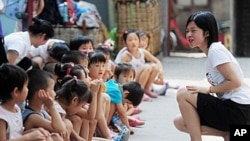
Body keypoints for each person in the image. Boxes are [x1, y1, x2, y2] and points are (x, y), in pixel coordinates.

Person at [173, 11, 250, 141]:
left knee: (183, 93)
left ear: (207, 33)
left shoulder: (215, 50)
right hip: (231, 108)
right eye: (187, 31)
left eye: (193, 30)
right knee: (180, 121)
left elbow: (236, 82)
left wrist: (209, 90)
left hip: (239, 109)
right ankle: (226, 134)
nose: (189, 35)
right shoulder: (212, 53)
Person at [0, 64, 53, 140]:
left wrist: (31, 131)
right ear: (16, 91)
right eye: (26, 86)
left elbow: (16, 134)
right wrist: (28, 137)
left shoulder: (16, 108)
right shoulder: (2, 117)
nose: (28, 90)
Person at [23, 69, 70, 141]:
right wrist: (51, 106)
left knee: (65, 126)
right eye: (52, 89)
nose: (55, 93)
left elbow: (62, 126)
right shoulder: (33, 117)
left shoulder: (41, 110)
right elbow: (60, 129)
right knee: (56, 137)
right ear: (41, 93)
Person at [114, 29, 164, 98]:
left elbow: (156, 61)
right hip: (131, 79)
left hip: (141, 78)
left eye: (135, 39)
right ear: (125, 43)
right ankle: (140, 93)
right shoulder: (126, 55)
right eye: (130, 40)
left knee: (155, 66)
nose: (133, 42)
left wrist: (161, 72)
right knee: (147, 67)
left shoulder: (142, 52)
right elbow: (119, 71)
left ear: (139, 41)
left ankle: (147, 89)